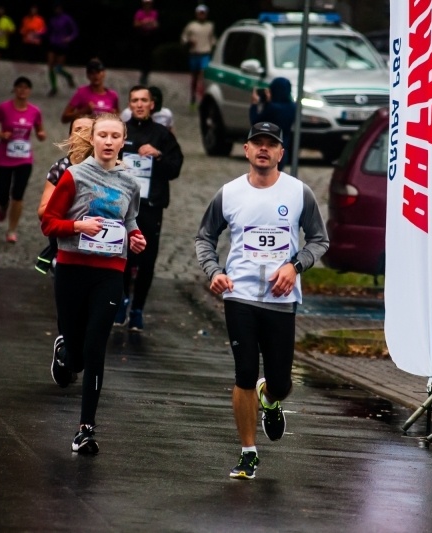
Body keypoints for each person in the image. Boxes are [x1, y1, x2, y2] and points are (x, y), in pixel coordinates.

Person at [195, 121, 329, 479]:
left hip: (281, 300)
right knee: (244, 372)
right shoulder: (229, 193)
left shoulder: (299, 193)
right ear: (247, 150)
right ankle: (248, 452)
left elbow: (319, 240)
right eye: (258, 143)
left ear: (281, 152)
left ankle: (269, 399)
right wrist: (214, 272)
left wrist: (295, 266)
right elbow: (204, 237)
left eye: (271, 144)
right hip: (239, 296)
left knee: (281, 382)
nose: (264, 149)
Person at [41, 112, 146, 454]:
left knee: (96, 348)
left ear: (122, 141)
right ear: (93, 140)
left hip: (110, 272)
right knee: (78, 358)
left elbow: (129, 218)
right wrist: (77, 228)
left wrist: (135, 236)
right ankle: (65, 354)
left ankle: (86, 429)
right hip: (72, 270)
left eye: (115, 136)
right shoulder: (74, 175)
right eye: (103, 135)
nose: (108, 141)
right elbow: (49, 223)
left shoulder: (131, 182)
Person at [116, 85, 183, 332]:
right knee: (120, 254)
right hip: (123, 205)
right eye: (135, 100)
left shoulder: (162, 135)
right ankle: (121, 300)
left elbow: (175, 168)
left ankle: (137, 309)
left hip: (151, 206)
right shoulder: (121, 132)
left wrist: (158, 156)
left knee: (146, 259)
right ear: (130, 104)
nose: (139, 105)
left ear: (152, 104)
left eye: (144, 100)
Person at [36, 115, 93, 385]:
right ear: (70, 136)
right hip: (66, 249)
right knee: (71, 308)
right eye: (77, 130)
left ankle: (74, 349)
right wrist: (74, 217)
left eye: (87, 130)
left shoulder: (109, 168)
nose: (82, 135)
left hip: (101, 254)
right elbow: (43, 211)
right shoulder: (62, 168)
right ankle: (65, 348)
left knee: (92, 313)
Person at [0, 76, 46, 243]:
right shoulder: (3, 108)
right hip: (4, 158)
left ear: (29, 91)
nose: (22, 90)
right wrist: (1, 134)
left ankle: (12, 230)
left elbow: (40, 131)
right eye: (19, 87)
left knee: (18, 194)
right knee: (3, 195)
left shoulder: (34, 111)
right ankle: (2, 206)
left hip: (24, 159)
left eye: (26, 88)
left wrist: (41, 135)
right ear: (14, 89)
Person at [249, 77, 295, 171]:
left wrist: (254, 104)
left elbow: (255, 121)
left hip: (269, 147)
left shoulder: (272, 108)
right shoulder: (293, 107)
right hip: (284, 145)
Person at [61, 59, 119, 124]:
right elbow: (64, 118)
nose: (95, 76)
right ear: (88, 75)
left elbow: (118, 117)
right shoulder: (81, 93)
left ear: (104, 73)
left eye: (98, 72)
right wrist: (82, 111)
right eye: (92, 73)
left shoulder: (112, 95)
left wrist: (114, 117)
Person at [180, 4, 216, 107]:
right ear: (196, 14)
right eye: (200, 13)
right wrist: (188, 42)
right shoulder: (191, 25)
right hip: (194, 54)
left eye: (203, 13)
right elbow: (184, 37)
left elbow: (212, 39)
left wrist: (214, 46)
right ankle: (193, 97)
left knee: (202, 75)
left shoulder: (210, 25)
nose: (201, 15)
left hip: (205, 53)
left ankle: (203, 99)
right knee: (194, 78)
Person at [46, 3, 78, 97]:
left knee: (58, 68)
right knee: (51, 65)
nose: (57, 10)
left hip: (62, 45)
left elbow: (75, 31)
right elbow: (47, 31)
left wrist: (69, 38)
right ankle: (54, 87)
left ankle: (68, 76)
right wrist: (38, 34)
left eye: (58, 8)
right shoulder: (52, 19)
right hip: (53, 44)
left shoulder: (67, 19)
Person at [133, 0, 159, 85]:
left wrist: (149, 24)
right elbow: (136, 24)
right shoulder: (139, 13)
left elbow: (155, 24)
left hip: (151, 36)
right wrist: (144, 23)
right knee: (142, 54)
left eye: (149, 3)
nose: (147, 5)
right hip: (142, 36)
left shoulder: (154, 13)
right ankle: (142, 71)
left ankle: (146, 72)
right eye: (146, 3)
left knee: (149, 55)